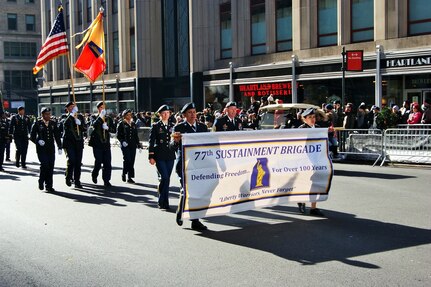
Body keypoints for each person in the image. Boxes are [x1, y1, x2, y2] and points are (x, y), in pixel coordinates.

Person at [171, 102, 209, 231]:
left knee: (197, 191)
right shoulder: (179, 127)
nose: (193, 115)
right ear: (184, 115)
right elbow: (172, 146)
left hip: (199, 164)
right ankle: (181, 211)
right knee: (187, 190)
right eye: (189, 113)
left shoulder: (203, 127)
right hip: (184, 164)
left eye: (194, 112)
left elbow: (209, 144)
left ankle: (195, 220)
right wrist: (175, 141)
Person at [296, 108, 324, 217]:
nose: (312, 119)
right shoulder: (301, 129)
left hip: (316, 159)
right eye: (310, 118)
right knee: (305, 182)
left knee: (315, 182)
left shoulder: (317, 128)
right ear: (305, 119)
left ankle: (313, 207)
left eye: (313, 117)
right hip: (304, 160)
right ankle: (302, 201)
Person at [148, 105, 176, 210]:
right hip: (159, 156)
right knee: (164, 177)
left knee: (167, 179)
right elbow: (151, 142)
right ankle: (161, 200)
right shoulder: (155, 126)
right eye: (163, 113)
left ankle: (165, 202)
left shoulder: (173, 125)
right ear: (160, 114)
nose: (166, 115)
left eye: (167, 113)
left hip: (170, 155)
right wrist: (151, 156)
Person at [30, 107, 62, 192]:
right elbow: (32, 136)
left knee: (50, 167)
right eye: (46, 114)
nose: (48, 116)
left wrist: (59, 146)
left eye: (49, 114)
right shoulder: (37, 123)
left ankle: (49, 186)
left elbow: (57, 136)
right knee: (45, 165)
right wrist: (38, 141)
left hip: (51, 148)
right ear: (42, 115)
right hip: (41, 149)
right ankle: (41, 181)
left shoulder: (53, 123)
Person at [88, 101, 115, 187]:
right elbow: (92, 126)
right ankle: (94, 174)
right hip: (97, 143)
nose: (103, 109)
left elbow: (114, 130)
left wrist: (108, 128)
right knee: (98, 162)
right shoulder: (93, 117)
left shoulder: (108, 118)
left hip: (106, 143)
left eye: (104, 108)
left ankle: (106, 180)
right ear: (98, 109)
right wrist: (100, 117)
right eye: (101, 108)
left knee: (107, 163)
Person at [62, 102, 86, 188]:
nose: (73, 109)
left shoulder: (80, 117)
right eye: (71, 107)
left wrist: (81, 124)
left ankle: (77, 180)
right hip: (69, 143)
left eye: (74, 107)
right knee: (71, 160)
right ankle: (68, 177)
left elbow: (85, 128)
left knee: (78, 162)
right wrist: (71, 116)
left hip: (78, 142)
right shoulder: (65, 117)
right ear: (68, 109)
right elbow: (64, 125)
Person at [116, 109, 143, 184]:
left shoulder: (133, 123)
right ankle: (124, 173)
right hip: (125, 144)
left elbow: (135, 135)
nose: (129, 116)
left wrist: (138, 144)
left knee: (132, 160)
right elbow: (118, 135)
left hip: (133, 145)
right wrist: (122, 141)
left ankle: (130, 177)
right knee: (127, 159)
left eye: (130, 114)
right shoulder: (121, 124)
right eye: (127, 115)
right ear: (124, 116)